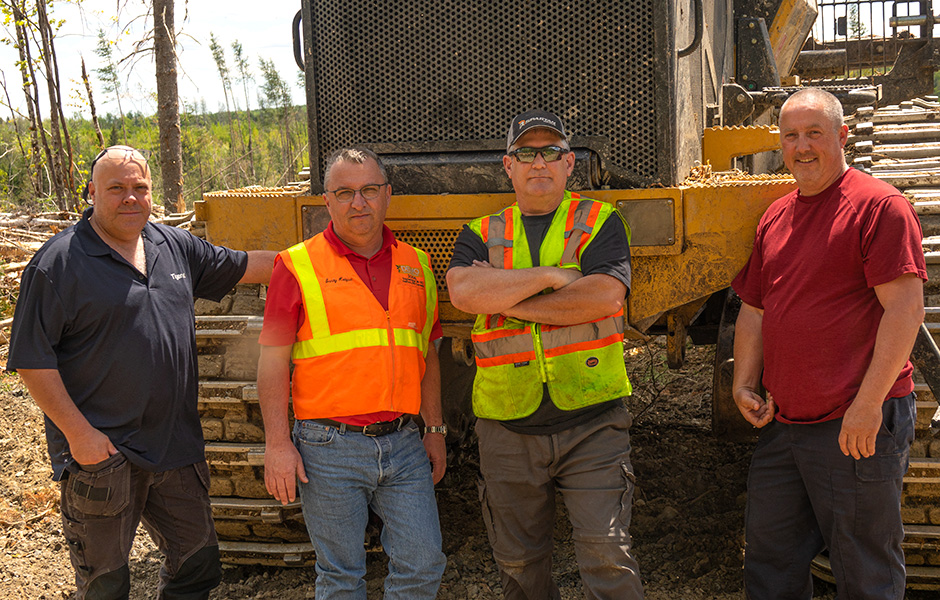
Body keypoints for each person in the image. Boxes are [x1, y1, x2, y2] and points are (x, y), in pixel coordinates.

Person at [6, 145, 277, 599]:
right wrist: (80, 436)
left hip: (174, 446)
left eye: (140, 188)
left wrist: (329, 260)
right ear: (91, 193)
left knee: (198, 566)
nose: (130, 198)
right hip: (104, 454)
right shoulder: (59, 263)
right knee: (105, 584)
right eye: (116, 189)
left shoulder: (171, 245)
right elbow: (32, 360)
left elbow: (249, 265)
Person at [732, 88, 927, 599]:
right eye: (791, 135)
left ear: (842, 136)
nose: (801, 147)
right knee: (770, 561)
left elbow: (905, 311)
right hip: (785, 424)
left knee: (864, 569)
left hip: (855, 424)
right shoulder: (777, 216)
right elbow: (755, 308)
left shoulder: (878, 208)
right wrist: (743, 382)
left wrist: (866, 407)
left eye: (814, 133)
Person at [446, 109, 644, 599]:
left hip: (592, 422)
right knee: (519, 567)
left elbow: (602, 298)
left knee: (608, 556)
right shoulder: (481, 231)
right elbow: (465, 293)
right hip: (507, 429)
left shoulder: (599, 222)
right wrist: (554, 277)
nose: (540, 162)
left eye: (551, 152)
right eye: (526, 153)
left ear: (569, 162)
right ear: (508, 166)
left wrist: (508, 299)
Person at [257, 148, 447, 599]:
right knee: (341, 575)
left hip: (402, 443)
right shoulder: (297, 266)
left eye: (368, 190)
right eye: (344, 193)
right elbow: (272, 363)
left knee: (423, 563)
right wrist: (278, 443)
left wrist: (434, 428)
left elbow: (429, 355)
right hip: (328, 448)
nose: (357, 203)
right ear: (328, 201)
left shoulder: (417, 265)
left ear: (387, 195)